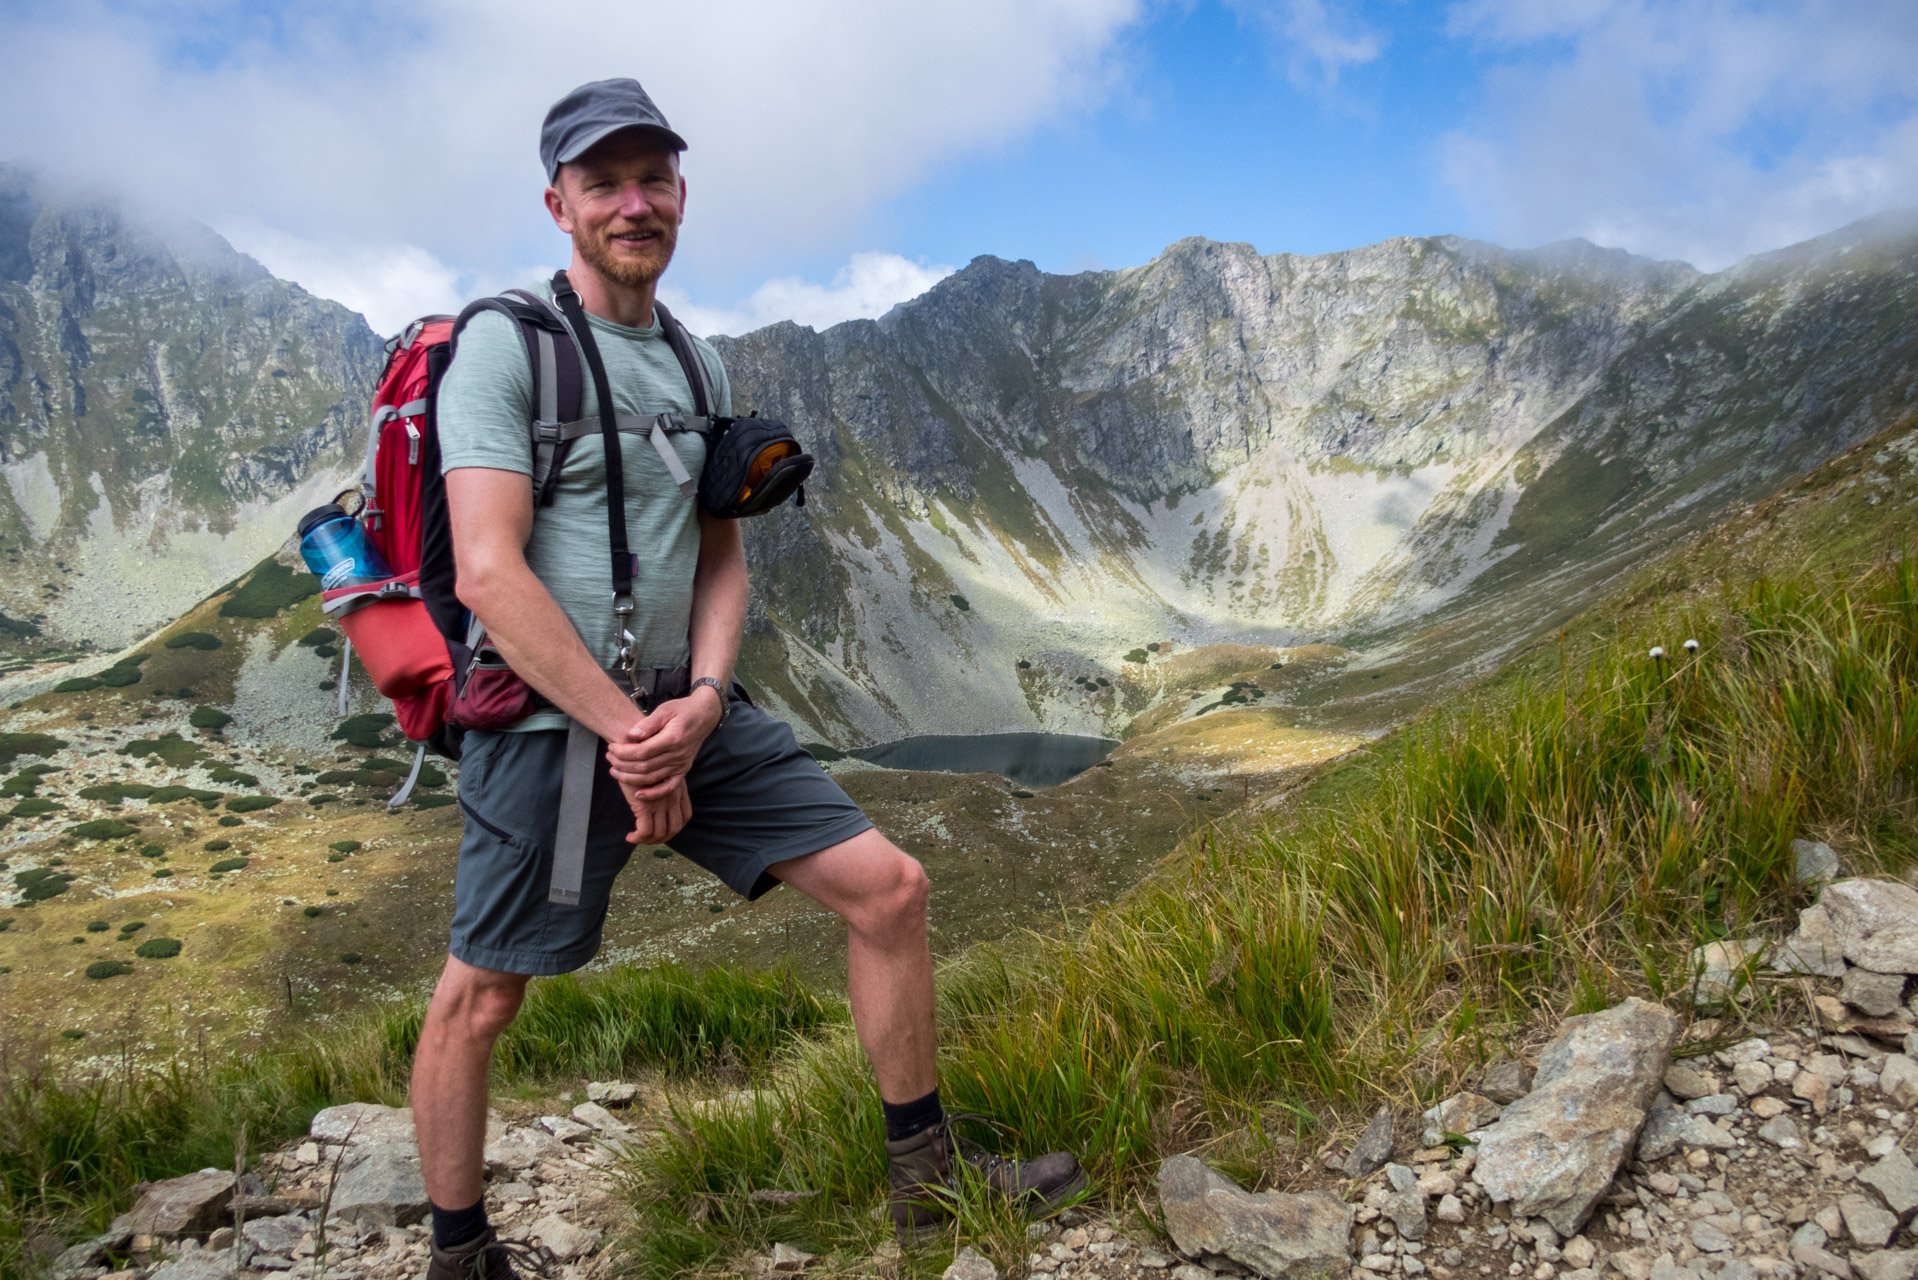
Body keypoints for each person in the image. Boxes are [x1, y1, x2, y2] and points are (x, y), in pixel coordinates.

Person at [411, 78, 1084, 1280]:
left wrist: (705, 703)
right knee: (483, 997)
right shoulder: (501, 349)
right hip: (555, 720)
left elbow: (721, 554)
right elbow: (489, 573)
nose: (633, 202)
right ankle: (459, 1256)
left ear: (680, 193)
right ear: (557, 202)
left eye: (652, 178)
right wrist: (632, 735)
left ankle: (927, 1191)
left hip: (685, 705)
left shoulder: (694, 360)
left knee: (889, 889)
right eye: (604, 182)